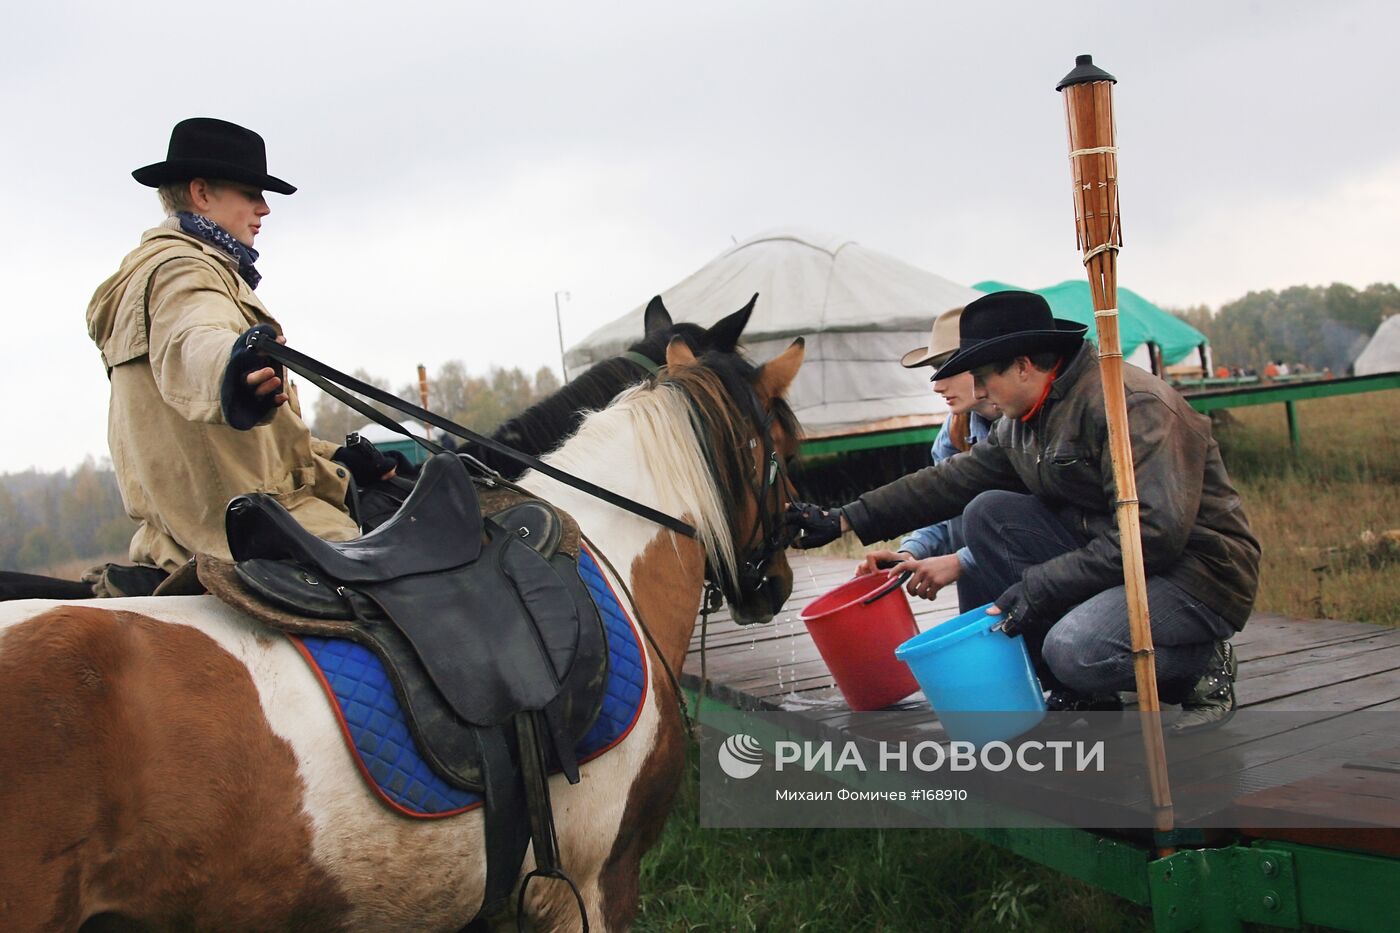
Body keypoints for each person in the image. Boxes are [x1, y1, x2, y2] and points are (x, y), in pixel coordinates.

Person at [787, 291, 1261, 733]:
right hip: (1115, 557)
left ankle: (1199, 665)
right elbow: (950, 481)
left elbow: (1152, 537)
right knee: (988, 511)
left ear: (1022, 366)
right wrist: (844, 518)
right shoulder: (1023, 420)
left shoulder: (1130, 406)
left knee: (1074, 650)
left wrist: (1039, 587)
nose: (977, 390)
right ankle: (1085, 692)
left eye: (982, 377)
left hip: (1195, 572)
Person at [86, 118, 394, 577]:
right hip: (252, 531)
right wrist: (231, 369)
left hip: (190, 530)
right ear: (201, 193)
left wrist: (337, 462)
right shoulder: (182, 271)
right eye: (251, 193)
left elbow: (239, 451)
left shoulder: (164, 271)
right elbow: (195, 338)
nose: (264, 208)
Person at [856, 306, 1000, 604]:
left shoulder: (1032, 424)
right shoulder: (956, 428)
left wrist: (961, 561)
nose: (936, 385)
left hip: (1048, 587)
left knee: (984, 505)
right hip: (983, 595)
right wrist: (909, 553)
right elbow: (942, 509)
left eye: (949, 368)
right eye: (935, 370)